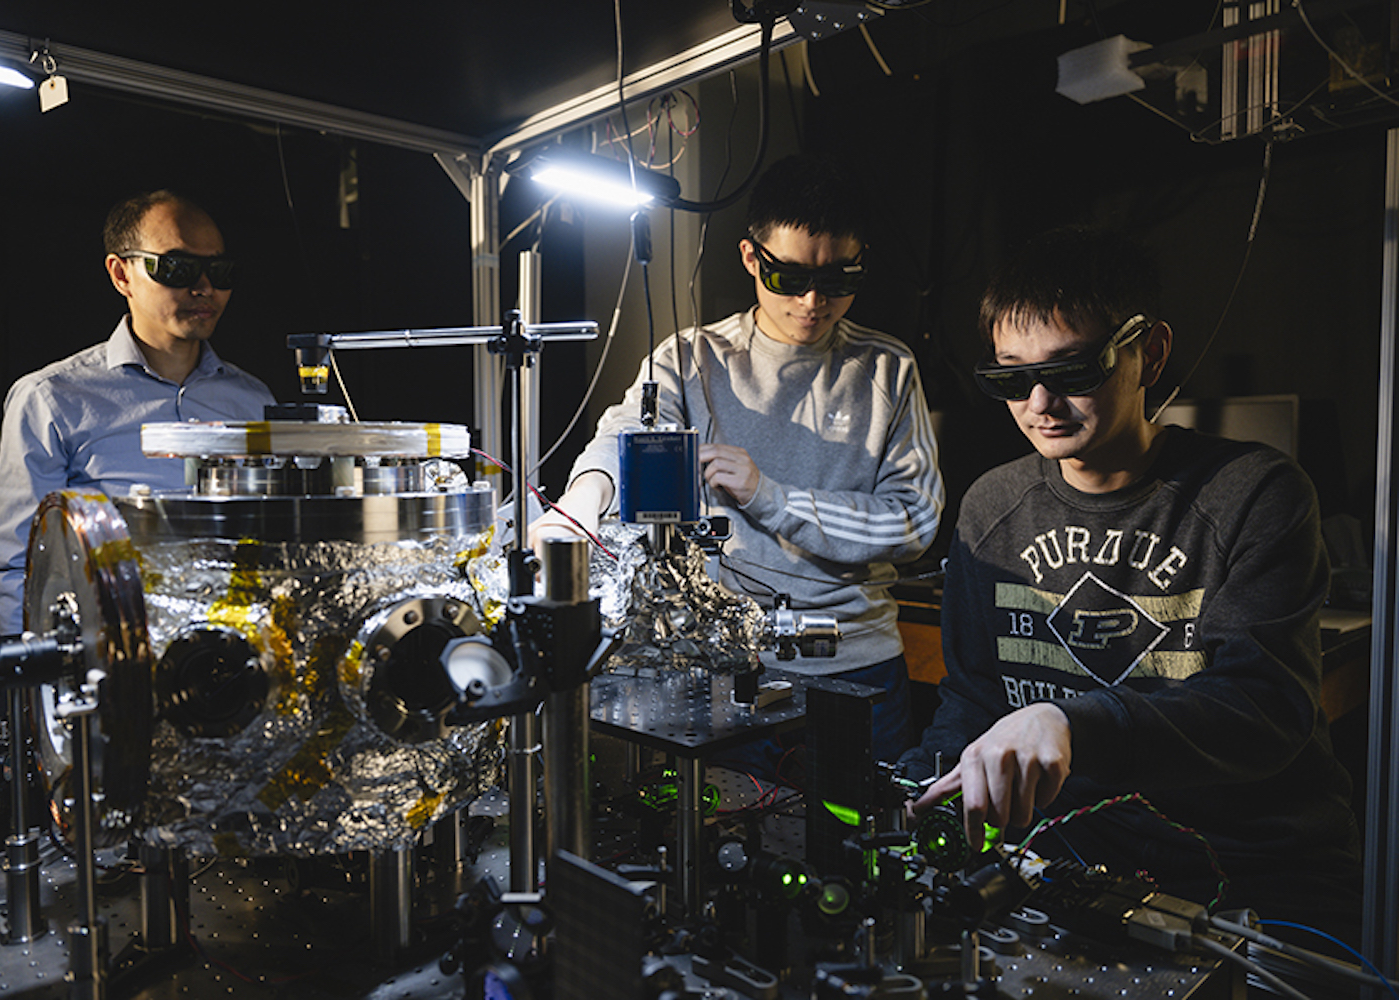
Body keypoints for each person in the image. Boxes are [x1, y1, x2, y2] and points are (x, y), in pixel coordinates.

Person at [904, 225, 1362, 939]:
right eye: (1010, 377)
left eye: (1073, 371)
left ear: (1148, 353)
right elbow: (972, 696)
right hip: (1069, 857)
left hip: (1252, 865)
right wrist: (912, 791)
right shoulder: (993, 506)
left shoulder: (1256, 493)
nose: (1039, 403)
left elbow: (1265, 708)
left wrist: (1071, 724)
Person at [530, 153, 945, 765]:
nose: (811, 301)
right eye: (790, 277)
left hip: (858, 669)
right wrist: (576, 510)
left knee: (866, 849)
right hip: (728, 667)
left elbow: (913, 522)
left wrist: (770, 497)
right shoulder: (692, 358)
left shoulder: (888, 369)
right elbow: (624, 437)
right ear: (752, 257)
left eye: (837, 281)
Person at [0, 189, 276, 634]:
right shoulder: (51, 398)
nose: (204, 287)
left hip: (237, 661)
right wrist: (31, 693)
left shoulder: (255, 402)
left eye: (220, 271)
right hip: (115, 663)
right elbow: (19, 565)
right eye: (176, 268)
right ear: (122, 274)